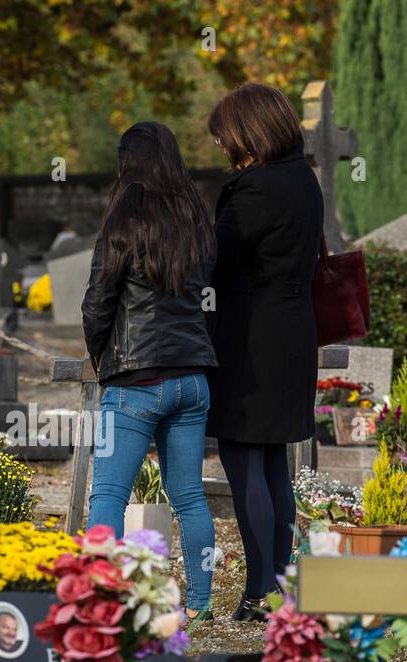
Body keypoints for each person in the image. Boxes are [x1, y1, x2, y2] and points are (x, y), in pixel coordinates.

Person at [81, 121, 218, 624]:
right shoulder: (194, 215)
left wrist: (102, 357)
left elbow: (99, 299)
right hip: (193, 378)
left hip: (136, 380)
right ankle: (201, 604)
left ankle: (101, 599)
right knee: (189, 497)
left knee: (109, 495)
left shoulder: (125, 213)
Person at [205, 82, 324, 621]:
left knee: (243, 457)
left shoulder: (254, 191)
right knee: (272, 461)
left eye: (225, 138)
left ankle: (258, 593)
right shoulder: (303, 179)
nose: (221, 148)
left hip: (250, 337)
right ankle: (277, 588)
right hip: (293, 332)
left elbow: (213, 261)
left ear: (248, 132)